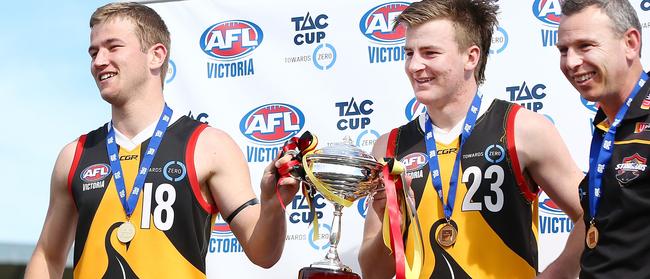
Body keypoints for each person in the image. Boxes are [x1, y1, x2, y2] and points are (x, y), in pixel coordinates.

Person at [24, 2, 299, 278]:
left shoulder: (208, 146)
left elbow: (263, 253)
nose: (98, 61)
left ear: (156, 56)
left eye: (113, 47)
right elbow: (48, 255)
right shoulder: (75, 155)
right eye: (93, 52)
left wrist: (272, 204)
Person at [358, 0, 584, 278]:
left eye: (430, 53)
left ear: (471, 57)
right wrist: (389, 220)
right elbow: (372, 272)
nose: (414, 65)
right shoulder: (389, 146)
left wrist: (558, 273)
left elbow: (596, 215)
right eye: (409, 53)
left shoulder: (522, 129)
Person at [541, 0, 650, 278]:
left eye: (585, 46)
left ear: (630, 43)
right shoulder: (606, 122)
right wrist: (559, 271)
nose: (572, 62)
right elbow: (606, 215)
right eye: (563, 50)